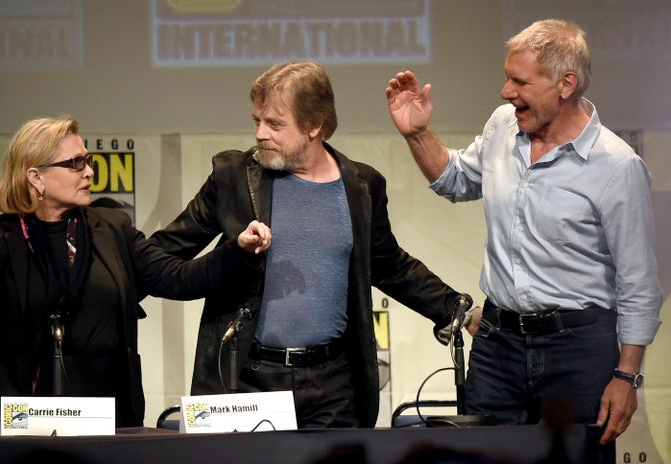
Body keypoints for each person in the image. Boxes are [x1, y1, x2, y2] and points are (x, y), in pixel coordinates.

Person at [385, 19, 663, 444]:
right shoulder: (503, 125)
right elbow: (456, 180)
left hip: (578, 351)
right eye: (505, 78)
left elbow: (639, 284)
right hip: (498, 346)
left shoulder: (617, 166)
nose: (505, 92)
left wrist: (627, 376)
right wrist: (418, 134)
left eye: (519, 81)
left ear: (565, 83)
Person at [150, 60, 466, 428]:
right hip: (247, 382)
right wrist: (231, 256)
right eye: (257, 120)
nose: (260, 134)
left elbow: (388, 264)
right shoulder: (233, 178)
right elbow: (159, 259)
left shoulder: (362, 186)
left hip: (333, 388)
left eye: (275, 124)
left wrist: (454, 309)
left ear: (315, 125)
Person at [0, 115, 271, 435]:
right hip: (14, 422)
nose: (90, 171)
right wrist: (17, 420)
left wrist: (238, 250)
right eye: (76, 163)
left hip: (102, 421)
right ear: (36, 177)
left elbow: (177, 276)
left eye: (88, 160)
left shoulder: (112, 228)